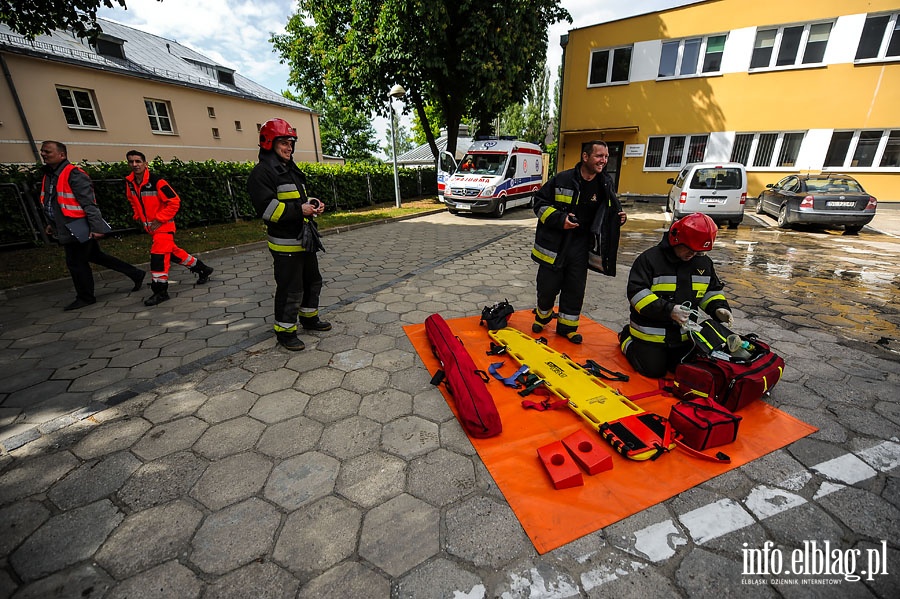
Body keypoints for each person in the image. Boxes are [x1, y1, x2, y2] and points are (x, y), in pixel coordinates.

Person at [530, 140, 627, 343]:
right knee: (547, 287)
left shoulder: (605, 183)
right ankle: (543, 316)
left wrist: (619, 218)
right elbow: (539, 202)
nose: (604, 160)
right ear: (585, 157)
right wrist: (560, 220)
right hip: (556, 245)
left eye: (606, 156)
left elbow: (611, 210)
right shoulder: (563, 179)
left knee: (574, 288)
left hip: (581, 247)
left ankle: (567, 328)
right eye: (599, 156)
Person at [247, 118, 330, 351]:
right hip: (285, 244)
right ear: (269, 143)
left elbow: (297, 200)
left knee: (312, 282)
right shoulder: (261, 173)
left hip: (304, 239)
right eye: (283, 142)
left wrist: (312, 203)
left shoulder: (289, 168)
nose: (289, 147)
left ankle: (309, 319)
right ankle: (285, 332)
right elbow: (267, 210)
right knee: (291, 288)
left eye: (290, 143)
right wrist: (299, 210)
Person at [619, 212, 734, 378]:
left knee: (682, 369)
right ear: (676, 240)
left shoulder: (703, 262)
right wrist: (669, 310)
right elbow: (637, 294)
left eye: (698, 252)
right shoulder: (650, 260)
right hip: (651, 333)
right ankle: (626, 337)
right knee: (653, 371)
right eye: (689, 249)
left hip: (683, 336)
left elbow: (711, 291)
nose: (692, 255)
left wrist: (719, 308)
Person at [39, 140, 146, 311]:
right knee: (96, 256)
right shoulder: (50, 175)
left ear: (62, 155)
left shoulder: (73, 174)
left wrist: (97, 228)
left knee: (76, 263)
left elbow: (89, 203)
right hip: (67, 226)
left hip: (77, 227)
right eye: (42, 151)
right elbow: (52, 202)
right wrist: (52, 224)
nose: (43, 154)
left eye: (47, 152)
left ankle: (85, 297)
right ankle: (136, 273)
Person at [125, 150, 214, 306]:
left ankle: (160, 291)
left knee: (158, 258)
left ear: (145, 164)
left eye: (138, 161)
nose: (135, 164)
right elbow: (132, 200)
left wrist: (159, 219)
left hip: (164, 227)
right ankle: (203, 269)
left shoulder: (157, 181)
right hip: (152, 229)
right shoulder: (130, 183)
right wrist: (137, 216)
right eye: (131, 161)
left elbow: (174, 202)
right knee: (173, 253)